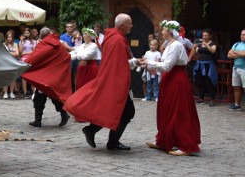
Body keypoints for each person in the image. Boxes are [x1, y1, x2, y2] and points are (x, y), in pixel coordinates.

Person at [63, 14, 139, 151]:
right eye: (130, 23)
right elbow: (120, 64)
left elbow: (117, 61)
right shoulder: (117, 40)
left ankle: (97, 133)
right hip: (115, 82)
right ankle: (105, 137)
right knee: (127, 112)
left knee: (115, 110)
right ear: (122, 25)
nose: (131, 26)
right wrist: (136, 61)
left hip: (112, 80)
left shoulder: (113, 38)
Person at [140, 21, 201, 156]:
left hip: (176, 80)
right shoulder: (169, 45)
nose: (162, 32)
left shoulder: (176, 46)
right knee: (166, 109)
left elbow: (167, 66)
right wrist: (148, 64)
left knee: (179, 111)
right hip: (169, 79)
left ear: (171, 31)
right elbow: (163, 64)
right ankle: (164, 140)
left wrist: (149, 63)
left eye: (164, 30)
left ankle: (186, 144)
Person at [21, 27, 71, 128]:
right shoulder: (59, 44)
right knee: (55, 96)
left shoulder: (45, 44)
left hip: (45, 77)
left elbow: (35, 57)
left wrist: (23, 63)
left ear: (41, 36)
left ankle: (38, 120)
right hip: (55, 77)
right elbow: (66, 57)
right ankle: (63, 114)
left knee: (39, 98)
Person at [191, 29, 218, 106]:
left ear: (209, 36)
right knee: (201, 81)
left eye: (206, 35)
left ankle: (212, 99)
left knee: (210, 81)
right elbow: (196, 52)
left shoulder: (213, 43)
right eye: (203, 36)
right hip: (200, 64)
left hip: (208, 65)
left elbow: (213, 51)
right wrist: (194, 47)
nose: (204, 37)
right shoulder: (199, 43)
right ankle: (201, 98)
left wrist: (206, 45)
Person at [227, 28, 245, 110]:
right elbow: (229, 55)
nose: (242, 36)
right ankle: (237, 104)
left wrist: (235, 52)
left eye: (244, 35)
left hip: (244, 69)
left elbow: (244, 54)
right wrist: (240, 54)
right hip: (236, 68)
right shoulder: (236, 44)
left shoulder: (236, 47)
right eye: (241, 34)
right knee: (236, 87)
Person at [1, 30, 20, 99]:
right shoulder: (3, 44)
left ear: (12, 38)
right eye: (8, 37)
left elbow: (17, 53)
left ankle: (11, 92)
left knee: (12, 78)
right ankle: (5, 93)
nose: (9, 38)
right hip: (5, 63)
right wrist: (11, 53)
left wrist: (8, 53)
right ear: (6, 38)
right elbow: (2, 54)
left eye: (11, 37)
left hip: (13, 62)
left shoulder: (15, 44)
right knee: (4, 78)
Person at [19, 28, 35, 98]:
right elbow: (20, 52)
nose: (26, 34)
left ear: (30, 34)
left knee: (32, 75)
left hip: (31, 58)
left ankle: (34, 90)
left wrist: (26, 52)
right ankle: (25, 91)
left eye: (27, 33)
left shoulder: (33, 41)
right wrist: (22, 42)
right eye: (25, 33)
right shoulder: (21, 41)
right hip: (23, 59)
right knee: (24, 76)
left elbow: (35, 51)